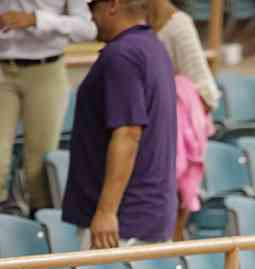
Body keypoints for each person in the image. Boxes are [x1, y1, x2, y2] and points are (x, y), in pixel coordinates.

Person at [62, 0, 177, 249]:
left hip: (121, 224)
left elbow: (128, 133)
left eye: (93, 7)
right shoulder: (152, 46)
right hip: (147, 215)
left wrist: (106, 211)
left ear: (112, 5)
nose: (90, 16)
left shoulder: (121, 55)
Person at [0, 0, 96, 214]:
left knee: (40, 166)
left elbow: (87, 29)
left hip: (46, 68)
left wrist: (37, 20)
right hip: (2, 68)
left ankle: (41, 223)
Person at [147, 0, 221, 240]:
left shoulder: (178, 25)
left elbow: (207, 94)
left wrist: (174, 101)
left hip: (172, 141)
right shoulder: (130, 21)